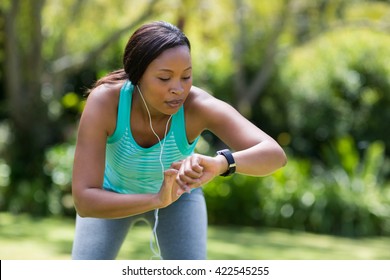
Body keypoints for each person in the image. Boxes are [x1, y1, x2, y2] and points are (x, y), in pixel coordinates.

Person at [71, 21, 287, 260]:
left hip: (179, 198)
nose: (178, 89)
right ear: (137, 76)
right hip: (111, 195)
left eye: (186, 76)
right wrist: (155, 199)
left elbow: (274, 155)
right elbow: (84, 200)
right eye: (164, 78)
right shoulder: (105, 102)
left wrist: (220, 163)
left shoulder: (198, 106)